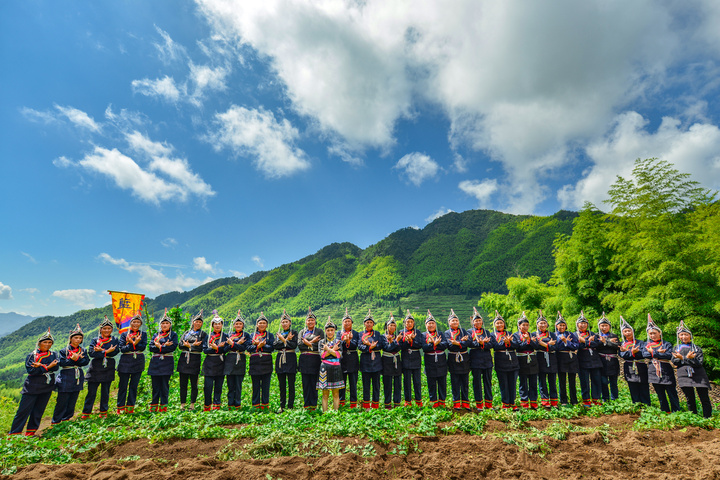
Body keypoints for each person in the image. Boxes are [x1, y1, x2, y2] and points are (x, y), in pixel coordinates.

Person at [9, 329, 59, 435]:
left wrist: (41, 366)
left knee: (39, 410)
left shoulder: (53, 354)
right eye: (45, 342)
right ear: (39, 343)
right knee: (23, 410)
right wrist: (48, 367)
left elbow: (56, 367)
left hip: (47, 385)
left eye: (49, 342)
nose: (47, 344)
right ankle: (14, 433)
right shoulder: (32, 355)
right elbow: (31, 370)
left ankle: (31, 432)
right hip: (32, 386)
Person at [81, 316, 119, 419]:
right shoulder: (95, 340)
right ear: (100, 329)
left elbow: (115, 351)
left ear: (112, 329)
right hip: (95, 367)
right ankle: (86, 412)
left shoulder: (114, 339)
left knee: (105, 391)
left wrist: (101, 351)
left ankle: (103, 411)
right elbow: (91, 353)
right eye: (104, 328)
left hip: (108, 366)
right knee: (91, 392)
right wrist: (106, 351)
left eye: (109, 328)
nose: (107, 330)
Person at [672, 320, 712, 418]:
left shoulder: (697, 348)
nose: (684, 337)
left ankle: (707, 418)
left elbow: (699, 363)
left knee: (704, 398)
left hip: (699, 375)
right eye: (681, 335)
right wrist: (687, 359)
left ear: (690, 336)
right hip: (684, 375)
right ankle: (693, 417)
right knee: (689, 398)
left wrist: (683, 359)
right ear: (678, 336)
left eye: (686, 334)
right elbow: (675, 362)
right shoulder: (676, 348)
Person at [51, 323, 89, 424]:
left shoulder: (83, 350)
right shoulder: (64, 351)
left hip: (78, 376)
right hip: (66, 376)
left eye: (80, 338)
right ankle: (56, 421)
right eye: (76, 337)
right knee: (62, 400)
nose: (78, 340)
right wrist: (74, 359)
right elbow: (62, 363)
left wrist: (76, 359)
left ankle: (67, 419)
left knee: (73, 399)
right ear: (71, 338)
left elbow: (86, 361)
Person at [643, 314, 681, 412]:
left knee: (671, 392)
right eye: (650, 334)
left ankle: (676, 411)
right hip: (653, 370)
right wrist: (658, 353)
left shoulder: (666, 344)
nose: (652, 335)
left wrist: (653, 352)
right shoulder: (647, 344)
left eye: (654, 333)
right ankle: (665, 411)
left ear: (660, 333)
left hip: (666, 370)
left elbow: (668, 355)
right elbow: (644, 354)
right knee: (660, 393)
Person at [117, 312, 147, 414]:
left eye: (138, 322)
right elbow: (122, 349)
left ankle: (130, 407)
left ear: (140, 324)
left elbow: (142, 347)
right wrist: (132, 344)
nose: (136, 324)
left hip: (138, 361)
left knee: (134, 386)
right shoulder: (124, 334)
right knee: (123, 385)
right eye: (134, 322)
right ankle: (120, 407)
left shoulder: (143, 334)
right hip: (125, 362)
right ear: (131, 323)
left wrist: (135, 343)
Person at [147, 309, 177, 412]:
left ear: (170, 325)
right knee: (155, 385)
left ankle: (164, 405)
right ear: (160, 325)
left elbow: (172, 347)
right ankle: (154, 404)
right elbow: (151, 347)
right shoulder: (156, 335)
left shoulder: (173, 335)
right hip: (155, 362)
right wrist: (164, 346)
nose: (164, 325)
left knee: (164, 385)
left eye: (167, 323)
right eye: (163, 323)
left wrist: (159, 346)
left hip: (167, 362)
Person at [178, 310, 207, 410]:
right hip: (184, 360)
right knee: (183, 384)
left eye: (200, 322)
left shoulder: (203, 334)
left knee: (194, 384)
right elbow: (180, 345)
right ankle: (182, 404)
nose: (198, 323)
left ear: (202, 324)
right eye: (196, 321)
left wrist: (189, 346)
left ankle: (192, 404)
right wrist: (192, 345)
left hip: (195, 360)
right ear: (193, 322)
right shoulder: (186, 333)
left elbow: (201, 348)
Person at [618, 316, 651, 406]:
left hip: (641, 366)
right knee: (633, 387)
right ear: (623, 333)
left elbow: (644, 353)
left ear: (633, 331)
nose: (627, 333)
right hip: (629, 368)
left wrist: (631, 352)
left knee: (644, 386)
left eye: (629, 331)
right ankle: (636, 405)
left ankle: (646, 405)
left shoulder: (641, 343)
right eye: (625, 331)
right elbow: (622, 355)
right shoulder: (622, 344)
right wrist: (632, 352)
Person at [490, 311, 519, 410]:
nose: (499, 325)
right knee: (503, 383)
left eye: (501, 323)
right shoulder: (492, 335)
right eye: (497, 323)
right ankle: (505, 402)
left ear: (504, 324)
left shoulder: (510, 333)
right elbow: (495, 346)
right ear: (494, 325)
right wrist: (505, 343)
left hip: (512, 361)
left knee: (512, 383)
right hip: (500, 361)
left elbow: (516, 345)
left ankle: (512, 402)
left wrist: (509, 343)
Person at [247, 312, 275, 410]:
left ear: (267, 325)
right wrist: (258, 346)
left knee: (265, 386)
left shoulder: (270, 335)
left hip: (266, 362)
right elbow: (248, 348)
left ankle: (265, 405)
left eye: (264, 323)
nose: (262, 325)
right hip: (255, 363)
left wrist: (262, 345)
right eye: (260, 323)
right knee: (255, 385)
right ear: (257, 324)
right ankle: (255, 405)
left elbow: (271, 347)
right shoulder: (252, 335)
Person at [317, 316, 345, 412]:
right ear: (325, 331)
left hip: (336, 368)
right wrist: (333, 350)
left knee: (336, 393)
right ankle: (325, 413)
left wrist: (328, 350)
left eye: (331, 330)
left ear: (334, 331)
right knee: (325, 394)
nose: (330, 332)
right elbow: (322, 355)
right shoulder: (321, 342)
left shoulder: (338, 342)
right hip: (324, 368)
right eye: (328, 330)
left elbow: (339, 355)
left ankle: (336, 413)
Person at [468, 307, 493, 410]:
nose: (478, 322)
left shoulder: (486, 332)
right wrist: (479, 343)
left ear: (482, 322)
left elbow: (491, 344)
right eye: (476, 321)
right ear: (473, 322)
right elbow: (469, 343)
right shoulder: (469, 332)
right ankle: (479, 404)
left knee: (488, 382)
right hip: (475, 360)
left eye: (479, 320)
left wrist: (484, 344)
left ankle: (489, 404)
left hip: (486, 360)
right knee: (477, 383)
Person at [397, 310, 424, 407]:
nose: (409, 323)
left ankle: (418, 400)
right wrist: (407, 342)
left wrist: (412, 341)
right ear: (404, 323)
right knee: (407, 381)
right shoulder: (401, 332)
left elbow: (420, 345)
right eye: (407, 322)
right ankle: (407, 400)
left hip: (416, 358)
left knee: (417, 381)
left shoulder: (418, 332)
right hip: (406, 358)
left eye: (411, 322)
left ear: (413, 323)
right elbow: (400, 346)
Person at [445, 309, 471, 411]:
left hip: (464, 359)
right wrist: (461, 342)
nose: (455, 322)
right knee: (455, 382)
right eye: (453, 321)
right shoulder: (447, 333)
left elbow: (468, 342)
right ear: (449, 323)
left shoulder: (463, 331)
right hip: (453, 359)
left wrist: (457, 343)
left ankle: (465, 402)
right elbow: (449, 345)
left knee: (465, 382)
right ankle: (456, 402)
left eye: (456, 320)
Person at [422, 310, 448, 408]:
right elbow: (424, 347)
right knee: (431, 383)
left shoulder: (440, 334)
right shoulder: (423, 335)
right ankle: (433, 402)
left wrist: (436, 344)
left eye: (433, 323)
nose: (431, 325)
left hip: (441, 361)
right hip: (430, 362)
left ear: (435, 325)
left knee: (442, 382)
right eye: (429, 323)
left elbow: (445, 345)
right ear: (426, 325)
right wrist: (434, 344)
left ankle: (442, 402)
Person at [225, 310, 251, 410]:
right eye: (236, 324)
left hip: (240, 360)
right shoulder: (229, 335)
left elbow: (245, 347)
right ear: (234, 325)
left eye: (240, 324)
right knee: (230, 384)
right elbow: (225, 349)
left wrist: (233, 344)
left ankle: (237, 404)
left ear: (243, 325)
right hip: (229, 360)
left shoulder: (246, 335)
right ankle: (230, 404)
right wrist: (237, 344)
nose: (238, 325)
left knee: (238, 384)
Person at [298, 308, 323, 410]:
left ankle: (313, 404)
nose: (310, 322)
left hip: (315, 360)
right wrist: (312, 342)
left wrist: (307, 343)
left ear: (315, 322)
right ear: (306, 322)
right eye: (308, 320)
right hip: (304, 360)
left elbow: (320, 344)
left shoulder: (319, 331)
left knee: (313, 383)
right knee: (305, 383)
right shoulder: (302, 332)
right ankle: (306, 404)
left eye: (312, 320)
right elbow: (300, 345)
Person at [273, 310, 298, 411]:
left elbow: (294, 345)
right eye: (283, 322)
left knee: (291, 384)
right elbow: (275, 345)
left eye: (286, 322)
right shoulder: (279, 333)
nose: (284, 324)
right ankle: (282, 405)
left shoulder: (294, 333)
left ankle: (290, 406)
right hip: (280, 359)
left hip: (290, 358)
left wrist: (283, 340)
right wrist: (287, 340)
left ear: (290, 323)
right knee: (282, 384)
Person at [576, 311, 602, 406]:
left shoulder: (593, 334)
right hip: (582, 360)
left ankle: (596, 399)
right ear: (577, 324)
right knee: (584, 381)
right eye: (581, 323)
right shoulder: (575, 335)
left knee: (596, 380)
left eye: (585, 323)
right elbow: (577, 346)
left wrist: (585, 341)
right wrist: (589, 342)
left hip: (594, 360)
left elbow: (597, 344)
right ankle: (586, 400)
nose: (583, 325)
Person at [513, 312, 539, 409]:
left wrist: (530, 340)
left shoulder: (532, 334)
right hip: (521, 360)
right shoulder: (515, 335)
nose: (525, 327)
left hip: (532, 360)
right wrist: (527, 341)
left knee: (533, 381)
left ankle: (533, 401)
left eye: (527, 325)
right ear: (519, 326)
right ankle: (524, 400)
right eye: (523, 325)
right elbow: (518, 346)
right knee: (523, 382)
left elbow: (536, 346)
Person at [359, 309, 383, 409]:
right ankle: (366, 405)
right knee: (366, 385)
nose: (369, 324)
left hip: (376, 362)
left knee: (376, 385)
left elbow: (381, 345)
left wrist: (373, 346)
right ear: (364, 324)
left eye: (370, 322)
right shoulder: (361, 334)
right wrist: (369, 347)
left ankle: (375, 405)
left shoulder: (377, 334)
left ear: (373, 324)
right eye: (367, 322)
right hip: (365, 362)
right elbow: (360, 346)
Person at [535, 312, 559, 408]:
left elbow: (556, 347)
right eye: (540, 323)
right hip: (540, 358)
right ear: (537, 325)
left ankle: (554, 401)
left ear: (547, 324)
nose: (543, 325)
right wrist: (549, 344)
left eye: (544, 323)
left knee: (552, 381)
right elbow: (535, 346)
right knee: (542, 381)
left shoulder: (552, 334)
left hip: (552, 358)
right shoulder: (534, 334)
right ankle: (545, 401)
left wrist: (544, 344)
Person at [555, 312, 579, 406]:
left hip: (571, 358)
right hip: (560, 358)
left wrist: (567, 342)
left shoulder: (571, 334)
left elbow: (576, 346)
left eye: (563, 325)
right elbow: (555, 347)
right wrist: (563, 342)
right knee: (562, 380)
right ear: (556, 326)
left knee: (572, 380)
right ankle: (563, 400)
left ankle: (574, 400)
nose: (562, 327)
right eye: (560, 325)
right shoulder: (554, 335)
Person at [596, 312, 620, 402]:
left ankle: (614, 399)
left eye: (606, 325)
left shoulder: (614, 336)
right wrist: (609, 341)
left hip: (613, 361)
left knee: (614, 381)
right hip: (601, 361)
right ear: (599, 326)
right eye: (602, 326)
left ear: (609, 326)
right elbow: (597, 345)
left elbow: (617, 346)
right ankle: (605, 398)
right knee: (603, 381)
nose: (604, 327)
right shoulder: (596, 335)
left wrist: (605, 342)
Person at [338, 308, 360, 408]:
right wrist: (345, 341)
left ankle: (353, 403)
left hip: (353, 360)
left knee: (353, 383)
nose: (347, 323)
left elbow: (356, 345)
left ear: (352, 323)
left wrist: (349, 342)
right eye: (345, 321)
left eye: (349, 321)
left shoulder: (356, 333)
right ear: (342, 323)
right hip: (342, 360)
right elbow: (338, 344)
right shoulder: (339, 333)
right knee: (342, 383)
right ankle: (341, 402)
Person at [380, 314, 402, 409]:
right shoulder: (383, 337)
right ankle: (387, 403)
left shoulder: (398, 336)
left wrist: (393, 342)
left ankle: (397, 403)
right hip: (387, 360)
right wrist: (395, 342)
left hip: (396, 360)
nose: (392, 327)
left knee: (398, 383)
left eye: (394, 325)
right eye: (390, 325)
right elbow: (387, 348)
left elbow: (399, 348)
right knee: (387, 383)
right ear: (387, 326)